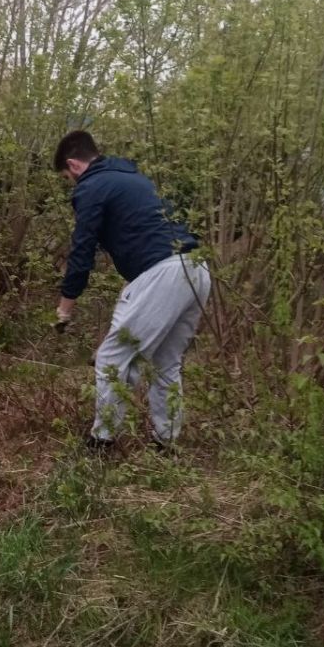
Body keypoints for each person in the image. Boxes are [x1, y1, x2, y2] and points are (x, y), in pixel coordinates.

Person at [53, 130, 211, 450]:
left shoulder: (91, 186)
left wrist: (64, 309)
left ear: (74, 165)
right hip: (195, 268)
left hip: (163, 273)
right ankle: (166, 443)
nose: (71, 184)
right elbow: (143, 256)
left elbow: (82, 252)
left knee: (111, 358)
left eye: (68, 178)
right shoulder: (134, 179)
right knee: (167, 362)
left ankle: (101, 443)